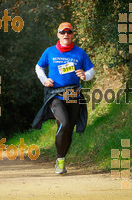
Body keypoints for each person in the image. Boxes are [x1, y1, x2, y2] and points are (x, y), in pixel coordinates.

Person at [32, 22, 95, 174]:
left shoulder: (80, 53)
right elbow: (38, 67)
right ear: (58, 34)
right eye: (63, 32)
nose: (66, 34)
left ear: (73, 34)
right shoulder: (50, 52)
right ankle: (59, 160)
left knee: (69, 130)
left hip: (73, 93)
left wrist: (85, 76)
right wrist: (44, 80)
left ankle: (61, 160)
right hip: (56, 94)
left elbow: (91, 70)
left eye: (69, 32)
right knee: (64, 123)